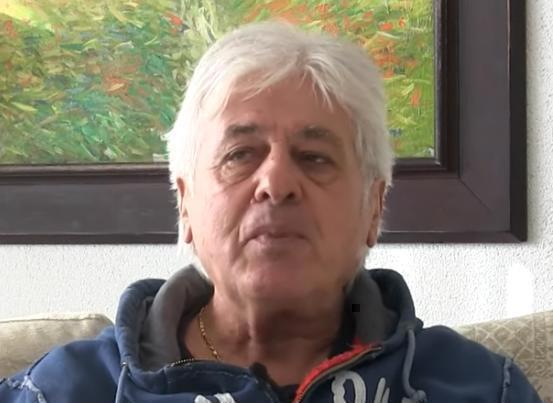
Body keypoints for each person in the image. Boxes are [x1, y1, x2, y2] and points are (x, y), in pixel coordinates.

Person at [0, 21, 541, 403]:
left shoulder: (482, 389)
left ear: (374, 208)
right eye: (240, 154)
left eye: (315, 157)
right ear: (185, 204)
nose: (277, 183)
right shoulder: (63, 391)